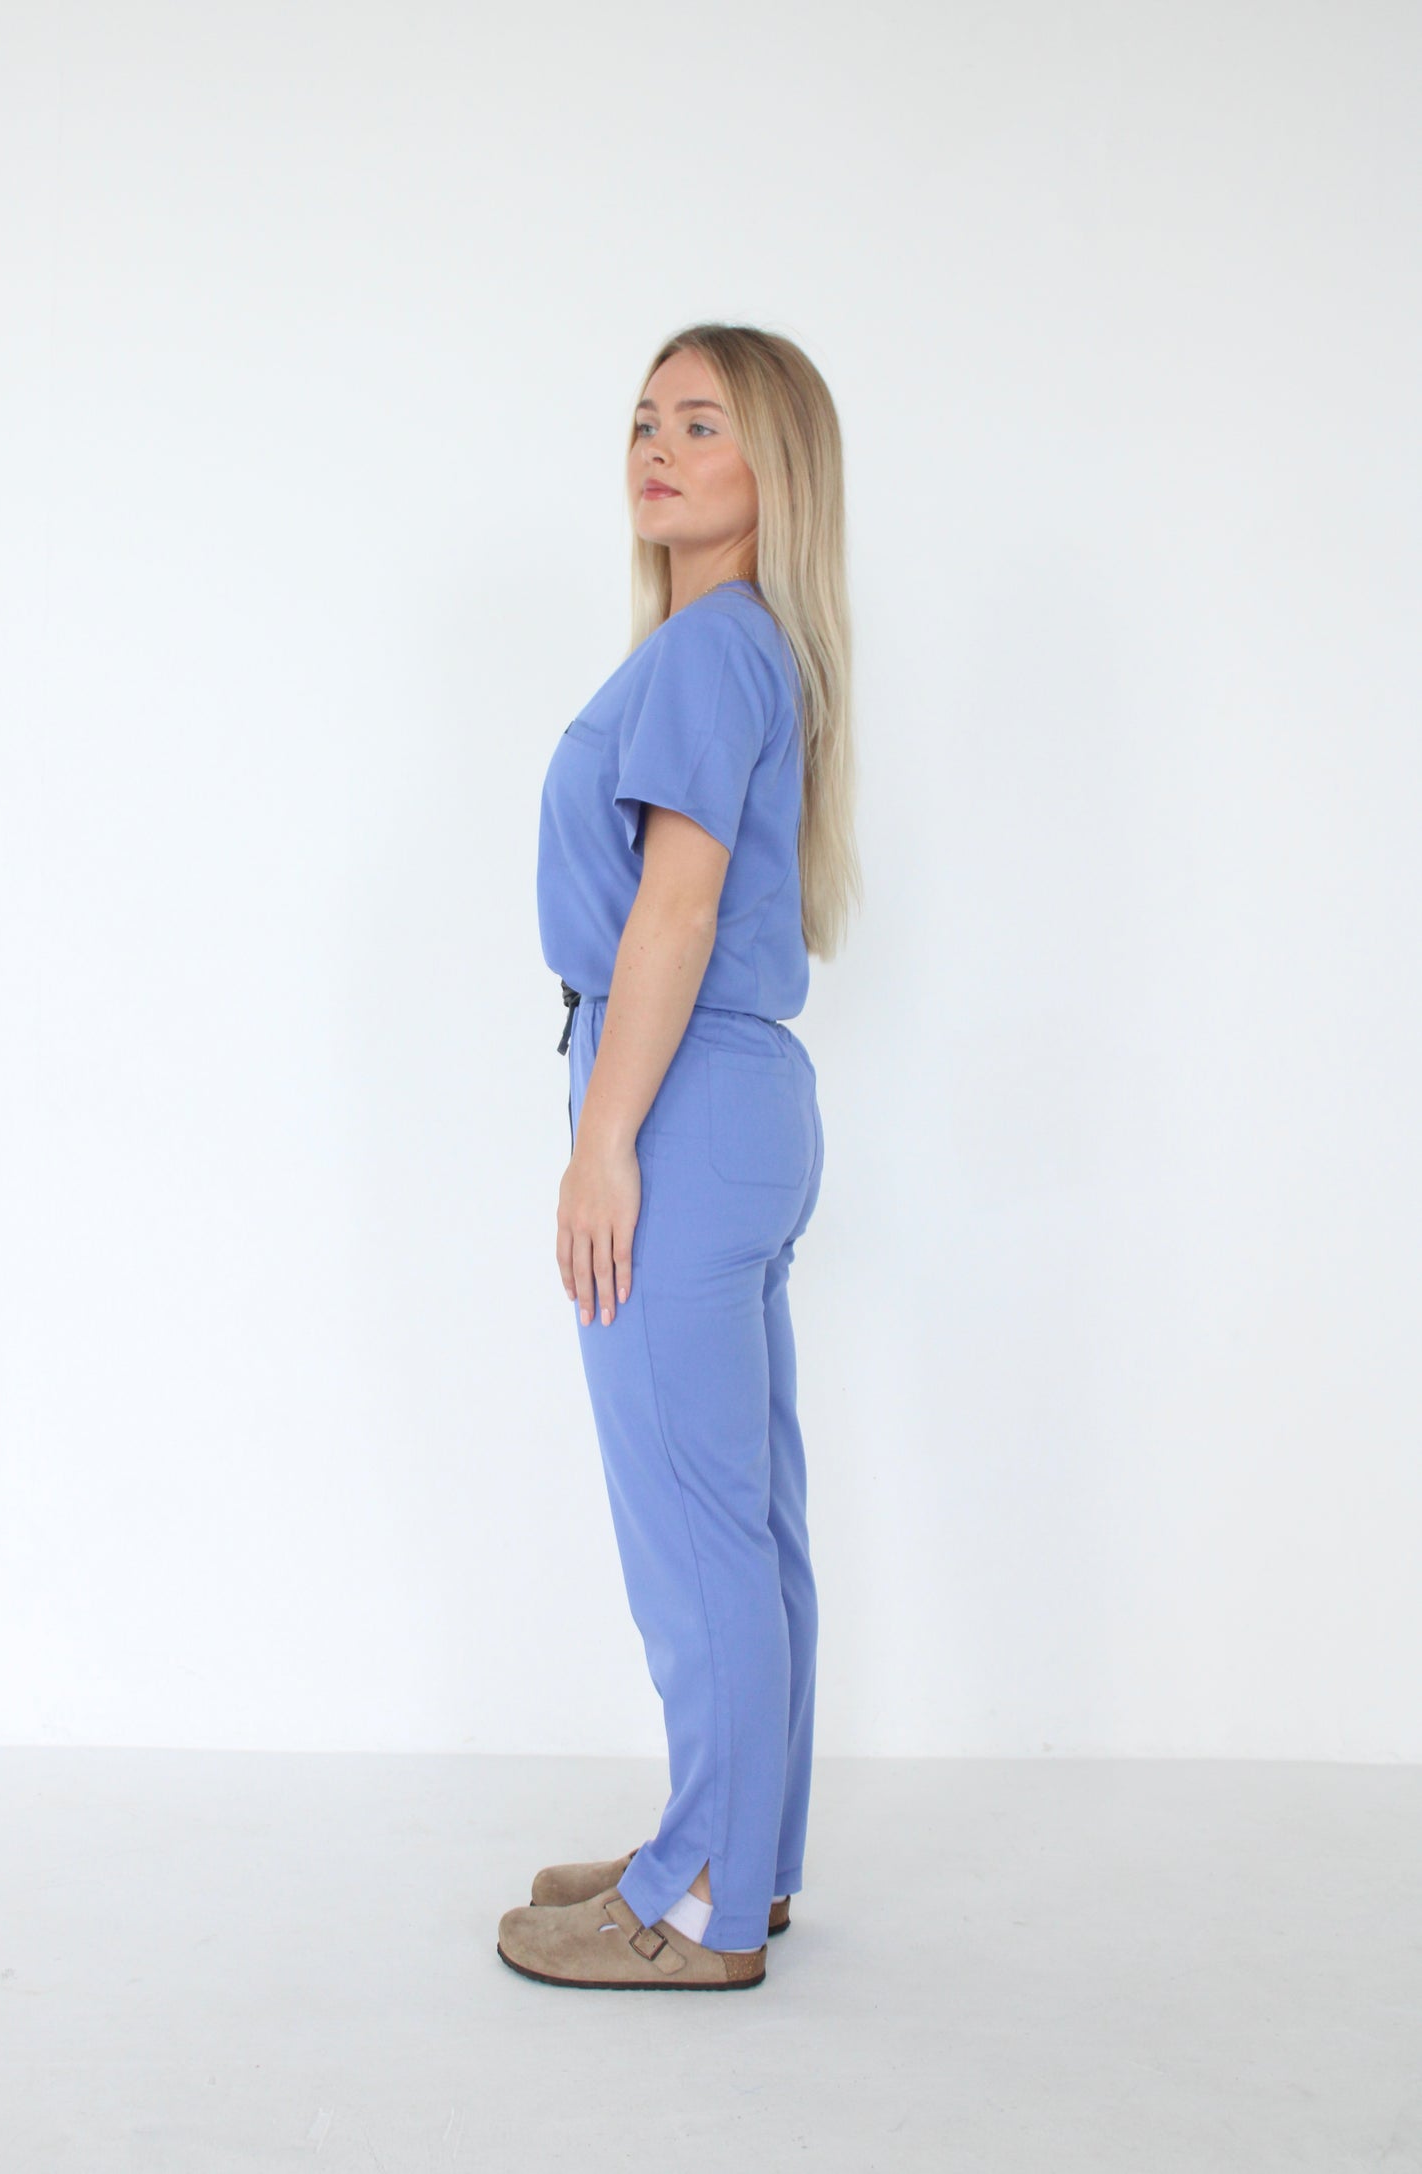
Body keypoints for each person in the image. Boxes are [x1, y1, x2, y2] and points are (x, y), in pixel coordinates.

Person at [499, 323, 860, 1991]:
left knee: (695, 1521)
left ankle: (701, 1889)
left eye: (699, 424)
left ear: (770, 468)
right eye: (645, 420)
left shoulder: (714, 648)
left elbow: (677, 908)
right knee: (748, 1515)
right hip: (740, 1097)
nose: (656, 447)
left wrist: (603, 1140)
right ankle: (739, 1854)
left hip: (681, 1097)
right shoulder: (739, 645)